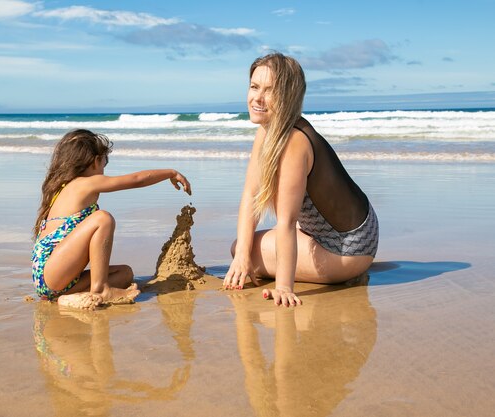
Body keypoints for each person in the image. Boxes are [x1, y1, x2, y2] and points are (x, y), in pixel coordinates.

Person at [223, 53, 379, 307]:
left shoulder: (294, 141)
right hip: (355, 227)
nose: (257, 98)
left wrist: (283, 286)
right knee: (242, 250)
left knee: (242, 249)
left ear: (288, 96)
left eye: (270, 91)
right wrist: (241, 257)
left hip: (348, 249)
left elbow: (286, 222)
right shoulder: (268, 130)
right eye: (254, 87)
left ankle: (343, 272)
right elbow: (250, 196)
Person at [32, 129, 192, 309]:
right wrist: (170, 172)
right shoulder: (83, 183)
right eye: (104, 163)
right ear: (95, 161)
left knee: (125, 273)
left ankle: (66, 298)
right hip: (52, 272)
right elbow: (136, 179)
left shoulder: (62, 188)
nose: (103, 169)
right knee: (102, 218)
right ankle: (101, 289)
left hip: (56, 278)